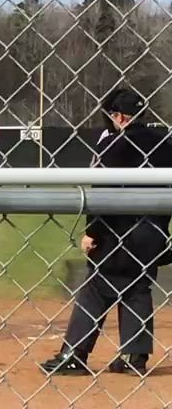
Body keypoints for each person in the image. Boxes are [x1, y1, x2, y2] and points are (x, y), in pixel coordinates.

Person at [41, 88, 172, 377]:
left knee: (97, 287)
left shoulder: (114, 145)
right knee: (137, 286)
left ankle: (74, 355)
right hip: (154, 231)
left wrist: (93, 233)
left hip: (120, 232)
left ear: (119, 116)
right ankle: (134, 357)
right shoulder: (166, 141)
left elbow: (103, 194)